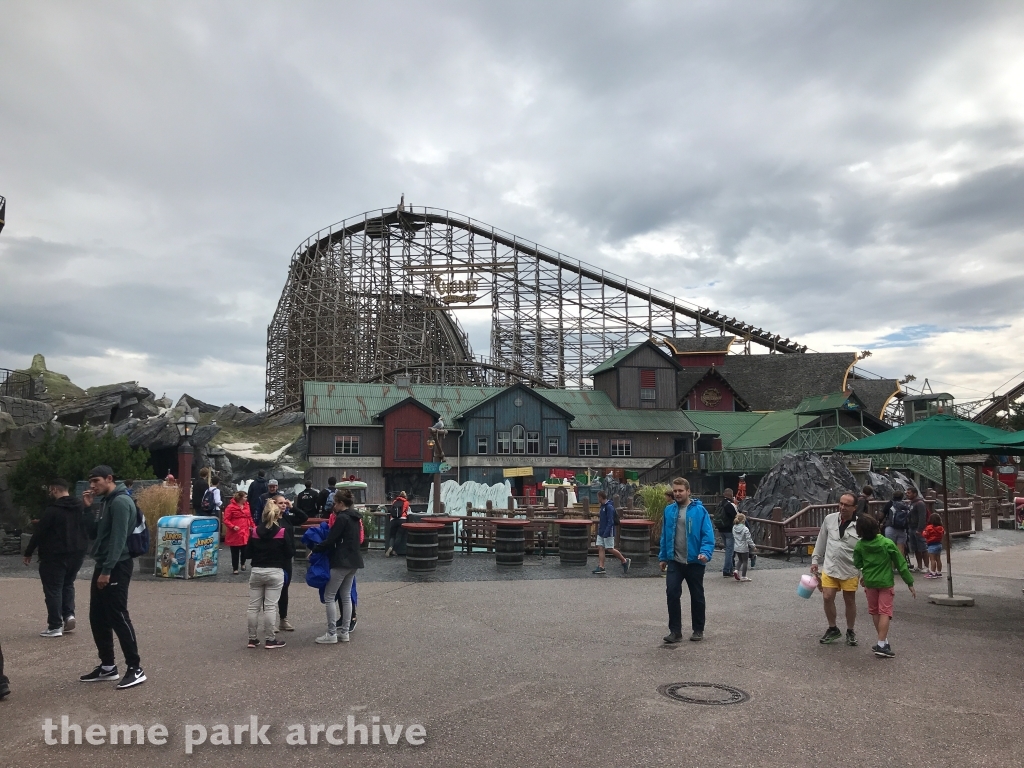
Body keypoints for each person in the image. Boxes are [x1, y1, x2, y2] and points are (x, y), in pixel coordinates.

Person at [78, 465, 146, 689]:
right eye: (90, 482)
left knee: (118, 615)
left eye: (96, 481)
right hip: (105, 563)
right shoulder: (107, 501)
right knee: (97, 616)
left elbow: (118, 539)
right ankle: (108, 666)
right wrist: (88, 509)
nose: (92, 486)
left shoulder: (120, 502)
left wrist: (107, 570)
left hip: (116, 565)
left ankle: (135, 668)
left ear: (109, 478)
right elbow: (96, 534)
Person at [23, 478, 90, 637]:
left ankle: (55, 625)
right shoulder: (80, 506)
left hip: (55, 554)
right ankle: (69, 615)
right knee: (68, 584)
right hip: (77, 553)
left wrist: (29, 551)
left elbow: (40, 532)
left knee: (53, 589)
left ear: (54, 490)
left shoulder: (52, 510)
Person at [659, 477, 715, 643]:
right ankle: (675, 631)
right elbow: (665, 535)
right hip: (675, 560)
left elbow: (707, 534)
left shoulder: (699, 511)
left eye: (680, 490)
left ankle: (698, 629)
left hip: (695, 561)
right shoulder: (669, 511)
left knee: (697, 595)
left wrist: (705, 553)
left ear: (688, 491)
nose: (677, 493)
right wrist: (663, 557)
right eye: (675, 491)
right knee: (672, 593)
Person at [853, 514, 915, 658]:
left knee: (875, 611)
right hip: (885, 581)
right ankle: (881, 644)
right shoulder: (886, 543)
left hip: (869, 582)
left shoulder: (860, 545)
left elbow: (857, 563)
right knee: (885, 612)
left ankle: (883, 641)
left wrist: (866, 571)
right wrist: (909, 582)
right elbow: (901, 563)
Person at [310, 489, 364, 644]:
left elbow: (331, 539)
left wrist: (315, 549)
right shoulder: (355, 518)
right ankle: (345, 632)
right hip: (354, 561)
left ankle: (332, 633)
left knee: (329, 596)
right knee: (346, 596)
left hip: (341, 560)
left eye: (335, 503)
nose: (333, 506)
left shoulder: (342, 518)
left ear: (341, 503)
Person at [810, 492, 861, 647]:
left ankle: (850, 630)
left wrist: (865, 571)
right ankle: (833, 628)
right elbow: (821, 540)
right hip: (830, 565)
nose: (842, 507)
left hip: (850, 568)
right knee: (827, 596)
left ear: (855, 508)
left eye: (847, 505)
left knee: (849, 600)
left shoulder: (860, 524)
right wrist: (815, 559)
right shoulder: (830, 519)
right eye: (841, 503)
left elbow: (866, 549)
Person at [245, 500, 293, 649]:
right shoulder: (281, 532)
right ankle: (270, 639)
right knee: (270, 606)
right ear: (278, 515)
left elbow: (247, 553)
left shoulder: (254, 531)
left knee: (253, 607)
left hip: (257, 570)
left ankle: (252, 639)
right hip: (275, 570)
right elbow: (290, 553)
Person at [269, 494, 299, 632]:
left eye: (284, 503)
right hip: (274, 558)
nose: (283, 505)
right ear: (274, 504)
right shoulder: (270, 520)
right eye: (280, 503)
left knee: (284, 589)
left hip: (287, 558)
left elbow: (303, 518)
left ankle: (283, 619)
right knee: (271, 590)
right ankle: (270, 621)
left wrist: (293, 507)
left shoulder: (287, 517)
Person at [593, 490, 630, 575]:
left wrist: (606, 532)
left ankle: (624, 560)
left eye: (598, 497)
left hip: (608, 531)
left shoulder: (609, 507)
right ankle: (601, 566)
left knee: (610, 548)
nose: (597, 498)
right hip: (602, 530)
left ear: (601, 497)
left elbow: (610, 521)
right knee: (600, 547)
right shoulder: (602, 506)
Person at [223, 490, 253, 574]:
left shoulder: (247, 506)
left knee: (244, 550)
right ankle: (235, 568)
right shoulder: (230, 507)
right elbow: (226, 519)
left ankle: (243, 563)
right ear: (240, 498)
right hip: (235, 532)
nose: (247, 499)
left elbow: (249, 517)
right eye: (245, 497)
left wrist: (253, 526)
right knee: (235, 551)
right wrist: (232, 526)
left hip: (245, 531)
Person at [716, 488, 739, 578]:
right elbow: (736, 516)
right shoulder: (730, 505)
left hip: (721, 529)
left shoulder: (720, 503)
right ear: (731, 495)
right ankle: (726, 570)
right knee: (730, 550)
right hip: (729, 530)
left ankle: (730, 569)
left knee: (727, 549)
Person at [881, 490, 910, 559]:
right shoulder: (904, 505)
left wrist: (880, 522)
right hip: (902, 529)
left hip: (890, 527)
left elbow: (882, 515)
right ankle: (900, 566)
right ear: (902, 497)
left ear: (893, 496)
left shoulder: (890, 504)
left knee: (890, 547)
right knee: (901, 548)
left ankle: (892, 566)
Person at [906, 487, 929, 572]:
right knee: (915, 548)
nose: (907, 494)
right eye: (907, 493)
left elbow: (922, 517)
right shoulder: (910, 503)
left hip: (918, 529)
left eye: (909, 493)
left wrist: (920, 529)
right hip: (911, 528)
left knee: (923, 548)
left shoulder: (920, 503)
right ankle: (919, 566)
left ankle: (926, 566)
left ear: (915, 494)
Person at [731, 513, 756, 582]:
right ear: (743, 520)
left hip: (736, 546)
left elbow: (734, 536)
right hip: (744, 547)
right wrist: (753, 546)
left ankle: (736, 570)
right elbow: (748, 539)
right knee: (745, 561)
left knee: (740, 560)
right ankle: (744, 576)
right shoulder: (745, 529)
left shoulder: (734, 527)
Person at [385, 491, 409, 557]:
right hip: (402, 520)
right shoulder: (406, 502)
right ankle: (394, 550)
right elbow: (407, 511)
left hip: (393, 519)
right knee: (399, 535)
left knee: (392, 535)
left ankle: (390, 547)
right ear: (405, 496)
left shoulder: (394, 502)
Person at [922, 513, 945, 579]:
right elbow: (943, 534)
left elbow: (925, 535)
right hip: (939, 544)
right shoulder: (941, 528)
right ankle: (939, 572)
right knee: (938, 559)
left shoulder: (929, 527)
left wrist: (923, 532)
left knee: (932, 559)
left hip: (931, 545)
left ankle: (933, 573)